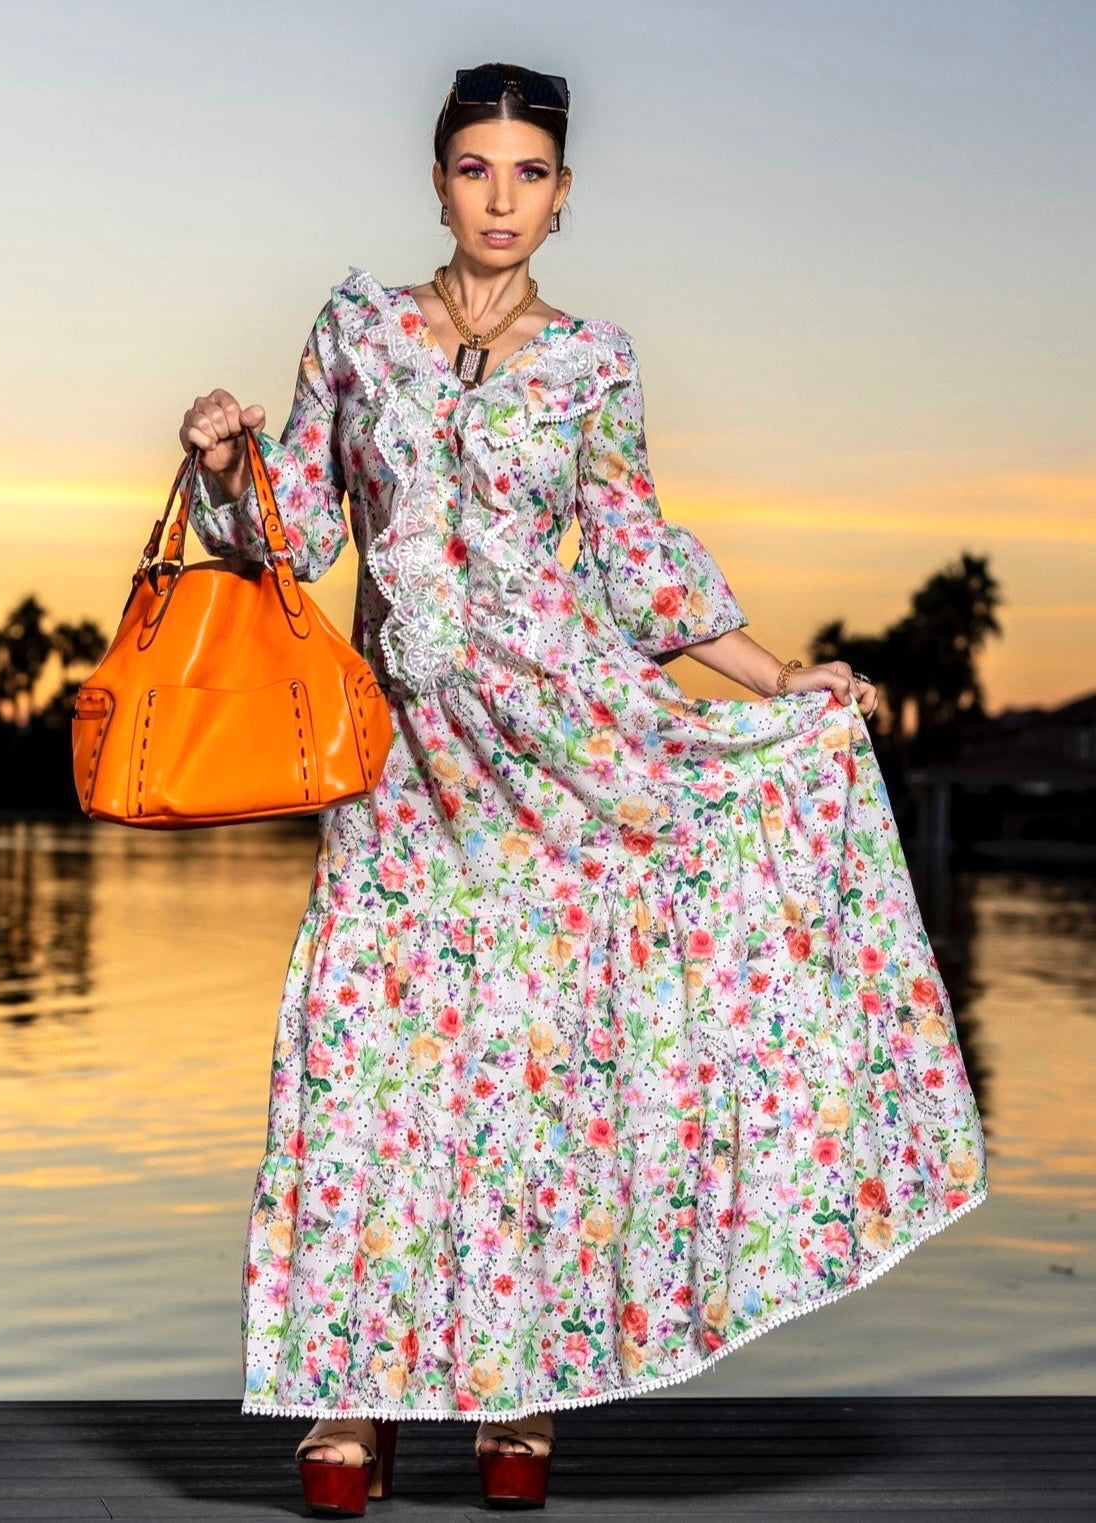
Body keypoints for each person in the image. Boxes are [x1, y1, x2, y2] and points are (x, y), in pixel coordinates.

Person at [180, 61, 988, 1516]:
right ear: (437, 181)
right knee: (373, 1048)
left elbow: (633, 556)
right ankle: (351, 1403)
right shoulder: (359, 330)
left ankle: (520, 1392)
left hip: (569, 748)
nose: (502, 198)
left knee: (538, 1066)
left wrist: (775, 677)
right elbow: (295, 525)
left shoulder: (595, 361)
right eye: (477, 169)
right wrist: (230, 462)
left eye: (530, 174)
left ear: (563, 196)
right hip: (405, 762)